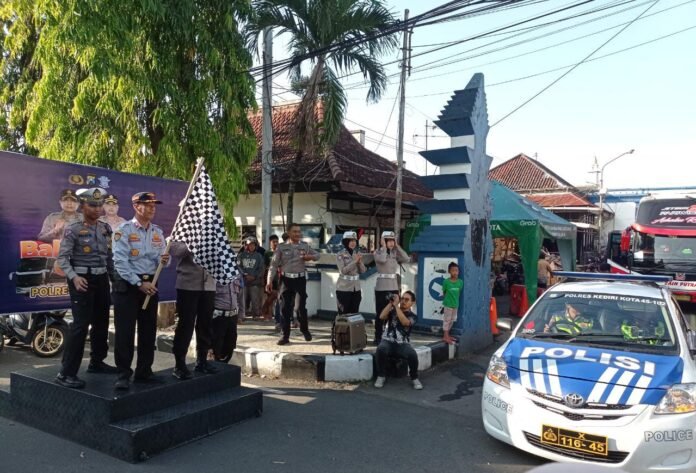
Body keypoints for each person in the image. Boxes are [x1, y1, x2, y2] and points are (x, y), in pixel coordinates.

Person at [55, 188, 117, 389]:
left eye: (99, 205)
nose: (97, 209)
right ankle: (66, 373)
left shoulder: (105, 228)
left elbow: (109, 257)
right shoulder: (73, 229)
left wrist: (114, 278)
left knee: (101, 322)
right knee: (80, 326)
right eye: (92, 205)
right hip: (82, 280)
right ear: (83, 206)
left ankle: (97, 362)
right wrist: (74, 277)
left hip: (101, 279)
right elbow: (62, 258)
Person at [112, 192, 170, 390]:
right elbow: (120, 263)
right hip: (128, 286)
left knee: (148, 331)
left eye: (154, 205)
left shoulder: (157, 232)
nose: (153, 208)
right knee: (125, 332)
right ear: (137, 207)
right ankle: (123, 374)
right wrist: (138, 284)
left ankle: (144, 372)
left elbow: (163, 259)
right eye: (148, 205)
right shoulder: (123, 230)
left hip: (150, 285)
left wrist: (164, 260)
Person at [169, 240, 219, 380]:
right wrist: (195, 239)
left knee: (205, 324)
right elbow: (176, 251)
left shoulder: (213, 233)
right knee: (186, 324)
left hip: (209, 285)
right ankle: (179, 365)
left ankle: (202, 361)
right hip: (188, 285)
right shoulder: (183, 232)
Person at [266, 223, 319, 345]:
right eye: (295, 231)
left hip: (300, 280)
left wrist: (310, 257)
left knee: (300, 307)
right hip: (286, 280)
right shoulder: (281, 247)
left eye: (299, 231)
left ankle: (304, 329)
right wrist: (269, 280)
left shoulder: (304, 246)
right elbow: (273, 265)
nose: (297, 234)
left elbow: (318, 255)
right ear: (289, 233)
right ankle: (284, 336)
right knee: (285, 309)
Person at [373, 291, 423, 390]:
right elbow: (381, 316)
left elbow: (405, 322)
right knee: (381, 349)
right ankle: (381, 376)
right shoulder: (393, 311)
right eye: (402, 299)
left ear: (413, 303)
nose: (403, 301)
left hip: (402, 344)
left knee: (412, 354)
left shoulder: (413, 316)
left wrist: (396, 306)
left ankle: (414, 378)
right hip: (388, 341)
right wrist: (391, 303)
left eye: (407, 300)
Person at [373, 230, 409, 345]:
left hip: (393, 286)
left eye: (392, 240)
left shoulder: (395, 253)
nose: (391, 243)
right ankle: (378, 337)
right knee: (380, 313)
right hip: (382, 287)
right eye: (388, 240)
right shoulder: (378, 252)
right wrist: (384, 247)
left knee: (393, 313)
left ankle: (391, 335)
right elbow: (382, 260)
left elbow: (406, 258)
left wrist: (397, 246)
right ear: (383, 241)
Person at [211, 275, 241, 363]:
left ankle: (224, 366)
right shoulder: (214, 273)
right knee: (216, 347)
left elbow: (240, 295)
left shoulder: (234, 273)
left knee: (230, 346)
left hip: (233, 316)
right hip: (218, 316)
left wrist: (241, 314)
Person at [335, 231, 366, 314]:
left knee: (354, 313)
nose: (353, 243)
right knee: (343, 313)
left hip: (356, 288)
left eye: (354, 241)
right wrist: (355, 262)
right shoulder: (340, 254)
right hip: (344, 288)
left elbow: (363, 270)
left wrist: (359, 261)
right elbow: (343, 271)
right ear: (346, 242)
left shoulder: (357, 254)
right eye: (351, 241)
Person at [238, 237, 264, 319]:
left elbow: (261, 268)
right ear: (246, 245)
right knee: (242, 299)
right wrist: (245, 275)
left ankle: (256, 315)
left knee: (255, 299)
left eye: (253, 245)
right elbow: (238, 267)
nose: (251, 246)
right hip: (243, 282)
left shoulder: (259, 256)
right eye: (249, 245)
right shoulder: (241, 255)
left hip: (255, 282)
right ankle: (242, 315)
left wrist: (255, 276)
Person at [441, 262, 463, 345]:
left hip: (455, 304)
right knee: (447, 320)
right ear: (449, 271)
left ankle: (447, 335)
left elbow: (459, 292)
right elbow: (444, 292)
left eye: (456, 270)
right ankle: (445, 336)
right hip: (448, 304)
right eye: (453, 270)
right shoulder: (446, 282)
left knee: (452, 320)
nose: (455, 272)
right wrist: (447, 301)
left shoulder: (460, 282)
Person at [261, 235, 280, 320]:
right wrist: (264, 278)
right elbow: (264, 266)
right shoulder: (267, 253)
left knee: (277, 295)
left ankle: (265, 309)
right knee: (270, 295)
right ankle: (269, 314)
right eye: (273, 242)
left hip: (279, 277)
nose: (275, 243)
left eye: (277, 241)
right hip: (270, 278)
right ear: (270, 243)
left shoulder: (280, 252)